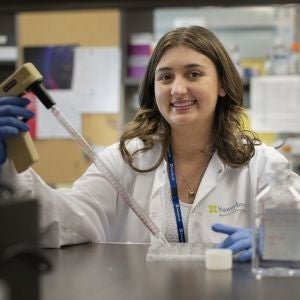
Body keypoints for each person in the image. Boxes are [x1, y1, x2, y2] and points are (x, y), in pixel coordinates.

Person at [0, 26, 292, 262]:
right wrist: (5, 167)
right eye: (165, 77)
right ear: (154, 89)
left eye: (194, 74)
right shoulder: (124, 159)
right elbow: (65, 221)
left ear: (222, 85)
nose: (177, 88)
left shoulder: (261, 164)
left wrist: (279, 239)